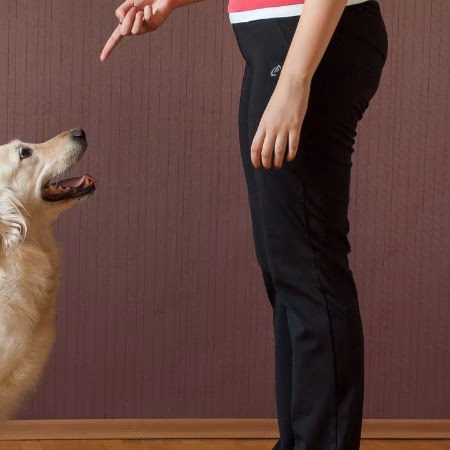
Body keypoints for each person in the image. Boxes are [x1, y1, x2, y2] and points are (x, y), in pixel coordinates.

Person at [100, 1, 388, 449]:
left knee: (308, 271)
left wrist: (294, 82)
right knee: (286, 271)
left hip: (307, 39)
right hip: (273, 41)